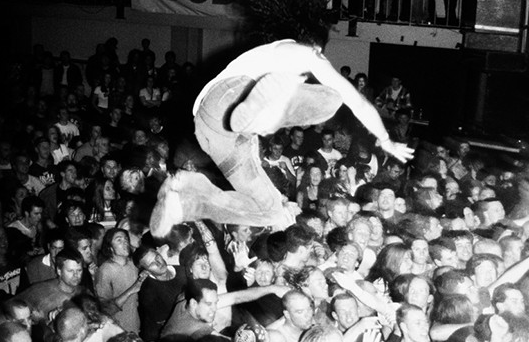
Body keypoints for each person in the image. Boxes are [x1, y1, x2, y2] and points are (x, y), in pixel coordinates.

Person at [150, 36, 413, 238]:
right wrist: (385, 139)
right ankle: (259, 111)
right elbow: (359, 103)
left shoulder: (270, 55)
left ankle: (183, 203)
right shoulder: (300, 52)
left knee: (269, 210)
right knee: (332, 98)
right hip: (231, 95)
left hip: (213, 132)